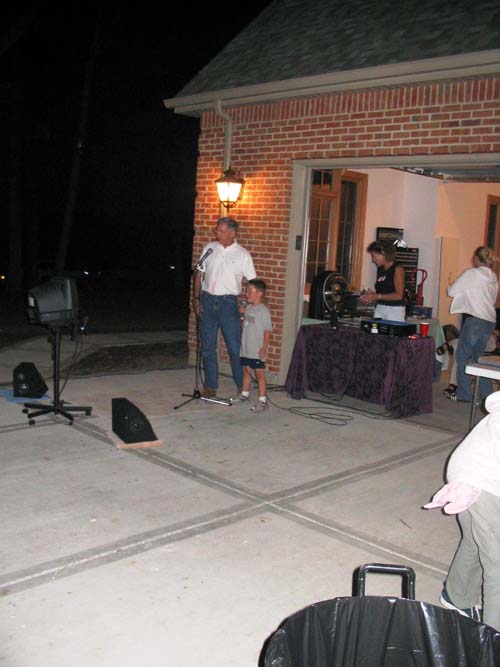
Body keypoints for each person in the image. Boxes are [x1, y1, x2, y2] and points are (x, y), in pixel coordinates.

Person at [424, 390, 500, 629]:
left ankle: (457, 597)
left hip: (468, 467)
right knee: (497, 565)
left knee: (476, 539)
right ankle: (492, 642)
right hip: (484, 476)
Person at [193, 217, 256, 398]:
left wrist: (246, 304)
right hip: (207, 300)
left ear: (232, 233)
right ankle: (211, 386)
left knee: (234, 347)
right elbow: (199, 274)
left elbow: (252, 283)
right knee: (208, 346)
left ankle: (241, 385)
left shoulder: (242, 254)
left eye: (221, 230)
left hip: (228, 304)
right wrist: (196, 299)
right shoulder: (209, 249)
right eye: (217, 230)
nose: (217, 233)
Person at [445, 246, 498, 402]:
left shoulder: (472, 273)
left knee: (462, 357)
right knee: (479, 359)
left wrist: (454, 284)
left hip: (475, 320)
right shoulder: (493, 277)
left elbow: (452, 291)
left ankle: (464, 394)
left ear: (478, 258)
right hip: (489, 321)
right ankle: (486, 395)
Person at [232, 278, 272, 412]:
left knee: (259, 374)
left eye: (250, 291)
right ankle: (245, 394)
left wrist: (264, 348)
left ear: (259, 293)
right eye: (246, 291)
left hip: (257, 349)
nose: (247, 294)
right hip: (246, 348)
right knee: (246, 371)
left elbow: (267, 331)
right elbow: (247, 325)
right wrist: (242, 315)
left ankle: (262, 401)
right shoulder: (248, 308)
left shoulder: (264, 311)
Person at [359, 240, 406, 322]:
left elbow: (399, 295)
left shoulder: (397, 269)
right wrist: (372, 296)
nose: (373, 260)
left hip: (394, 310)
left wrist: (377, 296)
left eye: (374, 256)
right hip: (380, 308)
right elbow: (384, 293)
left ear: (383, 253)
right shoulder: (381, 269)